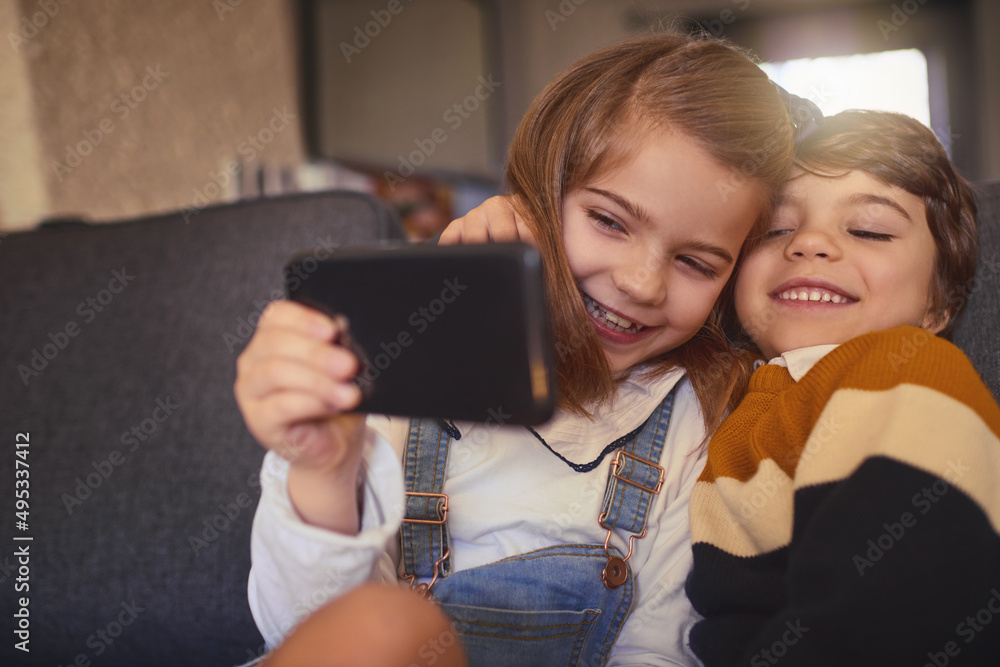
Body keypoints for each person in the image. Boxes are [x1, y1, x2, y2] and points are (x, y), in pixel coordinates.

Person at [235, 32, 798, 665]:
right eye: (609, 221)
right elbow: (306, 636)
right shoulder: (404, 354)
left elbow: (656, 650)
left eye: (695, 261)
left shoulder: (693, 420)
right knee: (380, 626)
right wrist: (323, 472)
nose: (642, 284)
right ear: (534, 196)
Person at [684, 109, 1000, 666]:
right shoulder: (724, 383)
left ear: (939, 306)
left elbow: (898, 612)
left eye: (869, 230)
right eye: (776, 228)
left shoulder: (906, 369)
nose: (809, 243)